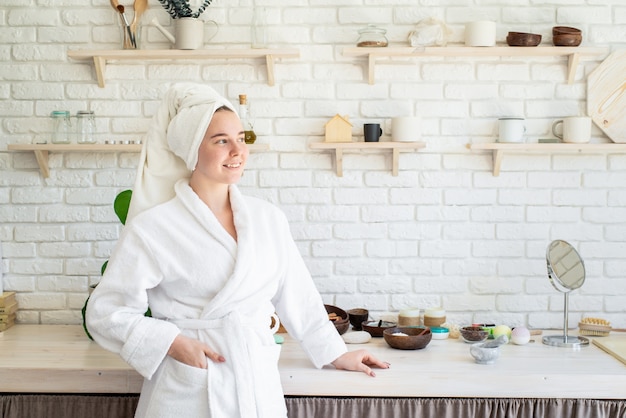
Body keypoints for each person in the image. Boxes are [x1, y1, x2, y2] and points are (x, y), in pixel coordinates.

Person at [86, 83, 389, 418]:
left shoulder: (267, 219)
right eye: (221, 141)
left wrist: (336, 352)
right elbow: (105, 312)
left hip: (255, 381)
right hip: (187, 386)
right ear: (192, 151)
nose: (238, 151)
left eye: (241, 139)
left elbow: (298, 295)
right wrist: (173, 343)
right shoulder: (154, 227)